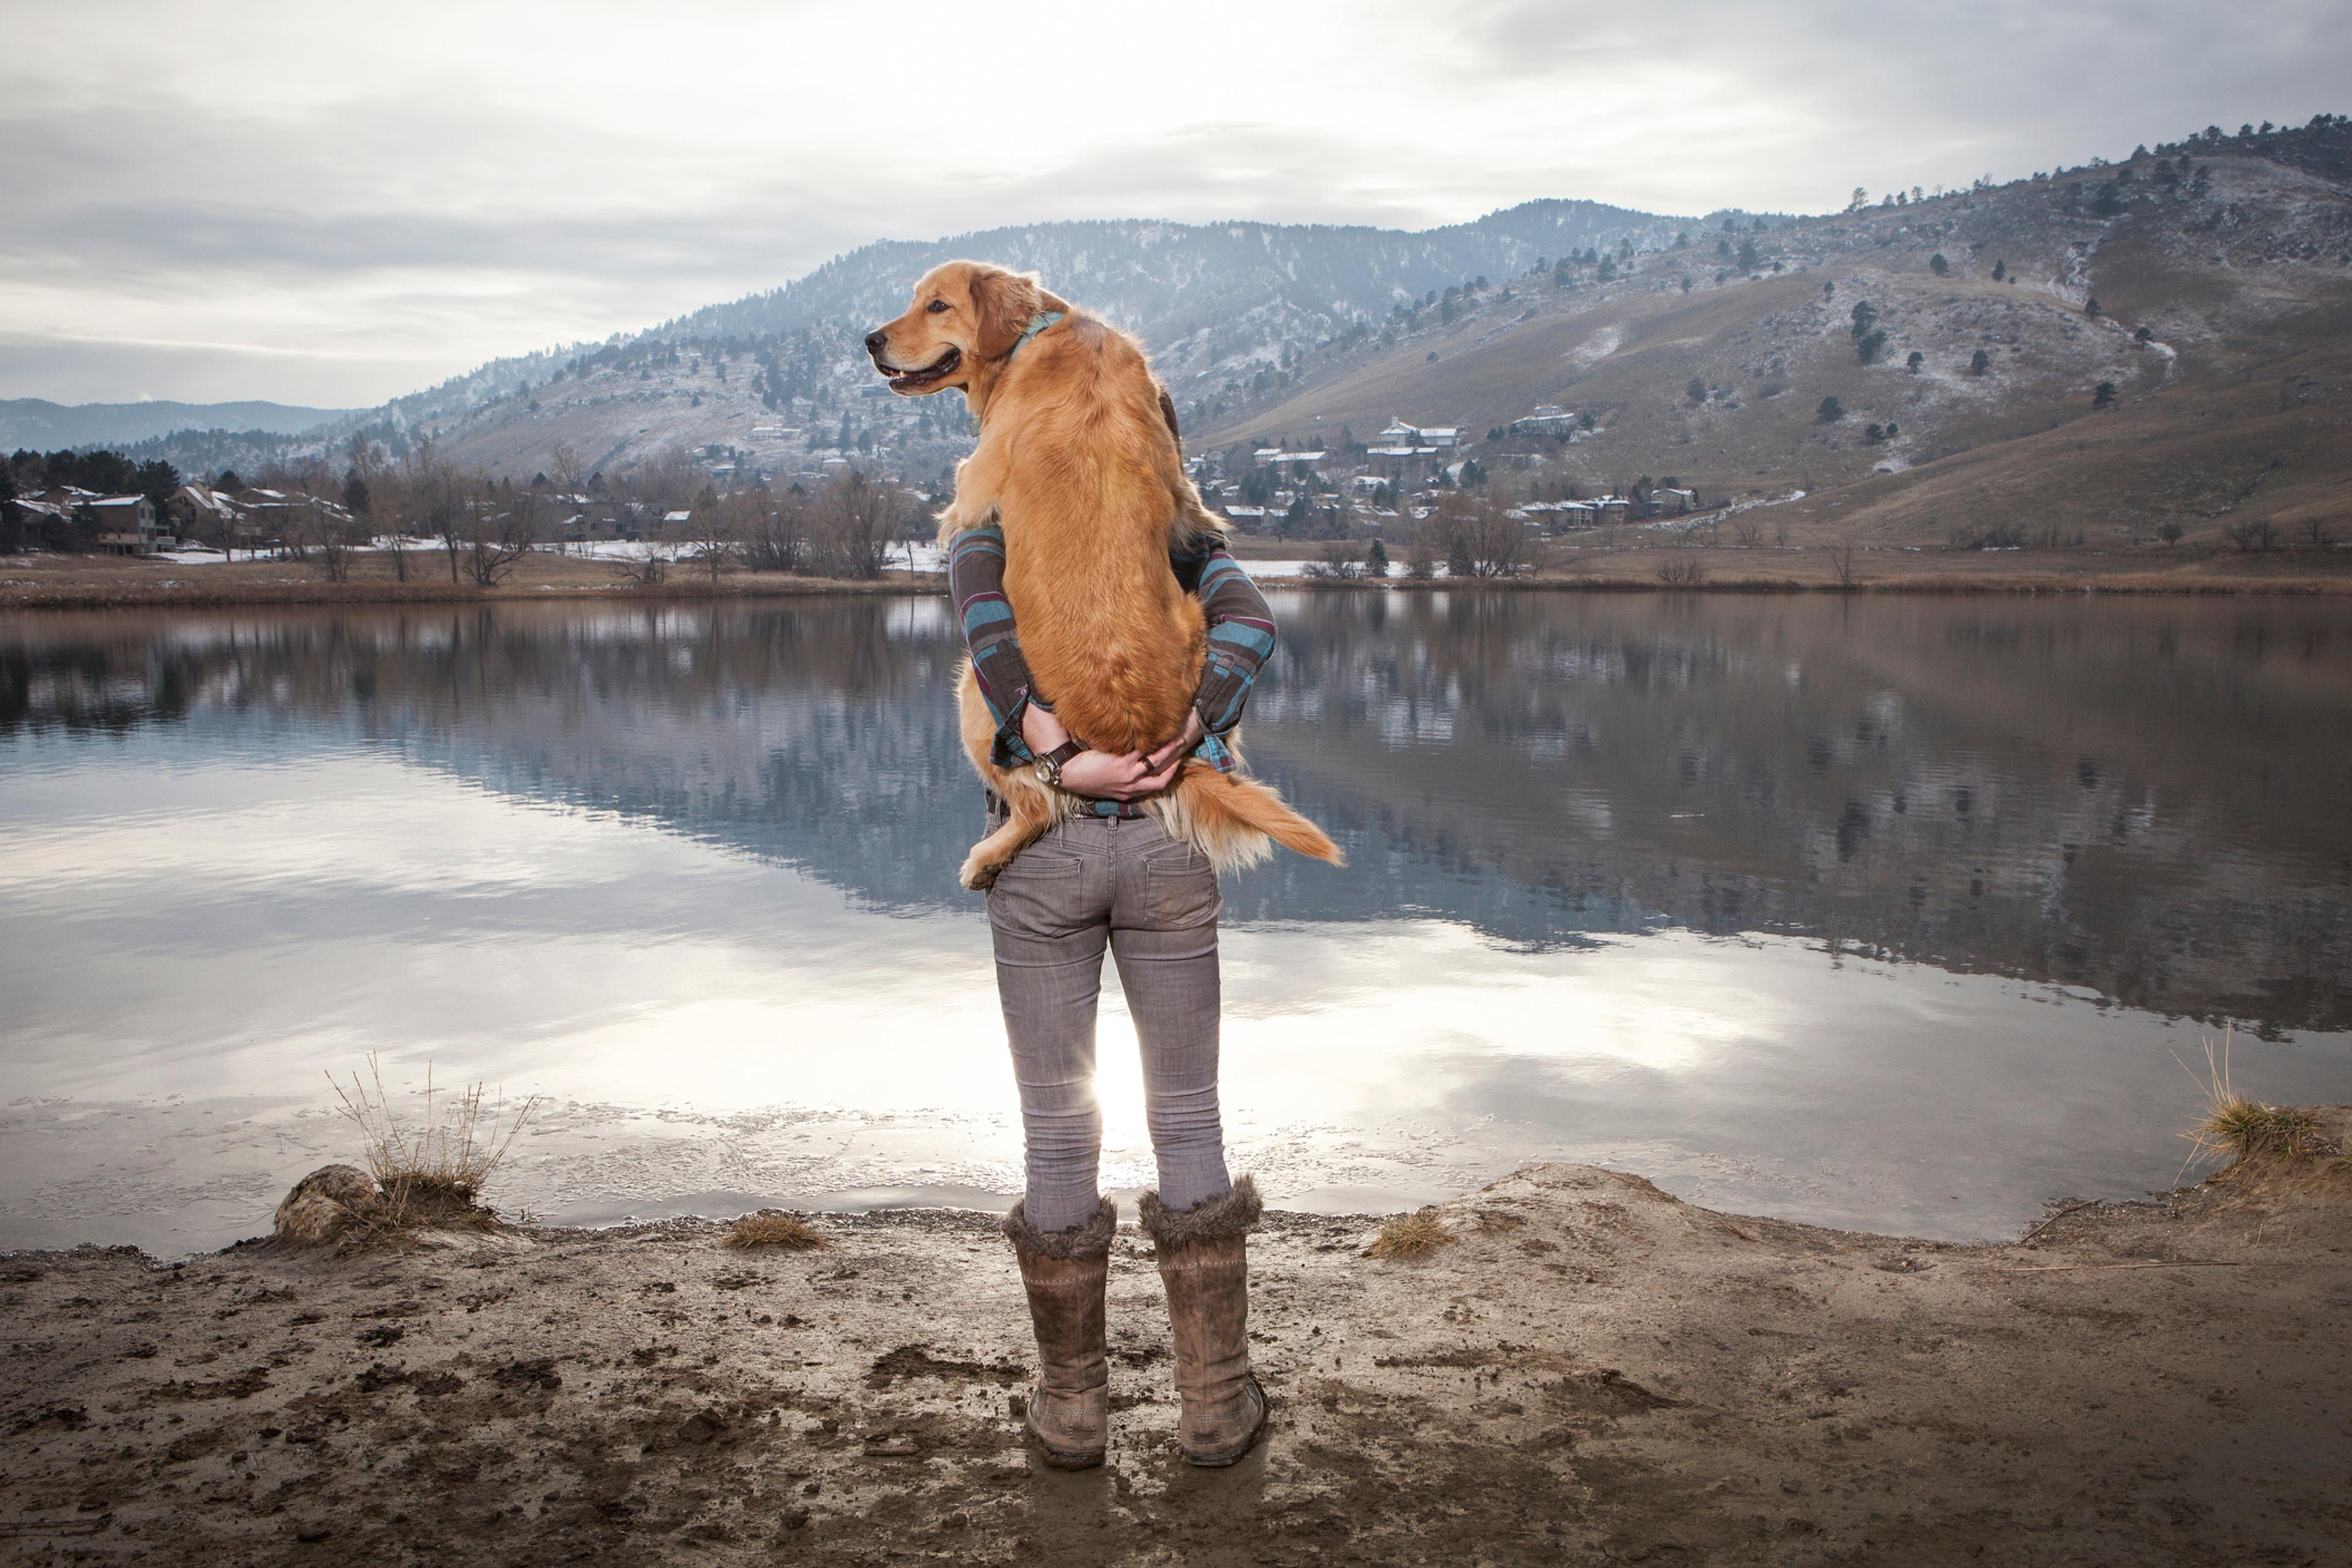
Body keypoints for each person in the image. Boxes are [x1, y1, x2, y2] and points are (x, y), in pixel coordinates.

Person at [947, 519, 1278, 1469]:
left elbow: (987, 630)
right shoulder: (1174, 531)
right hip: (1169, 844)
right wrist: (1197, 726)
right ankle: (1216, 1409)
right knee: (1188, 1121)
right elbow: (1250, 624)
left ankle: (1070, 1415)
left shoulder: (997, 522)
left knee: (1057, 1130)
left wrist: (1051, 758)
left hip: (1042, 849)